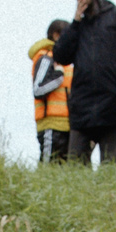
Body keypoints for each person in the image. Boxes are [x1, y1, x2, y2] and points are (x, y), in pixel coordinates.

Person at [55, 0, 116, 168]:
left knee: (110, 171)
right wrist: (75, 22)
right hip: (82, 107)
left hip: (114, 106)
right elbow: (60, 56)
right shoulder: (78, 26)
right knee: (75, 171)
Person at [31, 21, 73, 165]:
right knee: (48, 169)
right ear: (56, 36)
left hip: (67, 125)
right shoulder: (46, 58)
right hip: (51, 125)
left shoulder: (65, 62)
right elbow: (38, 89)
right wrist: (58, 77)